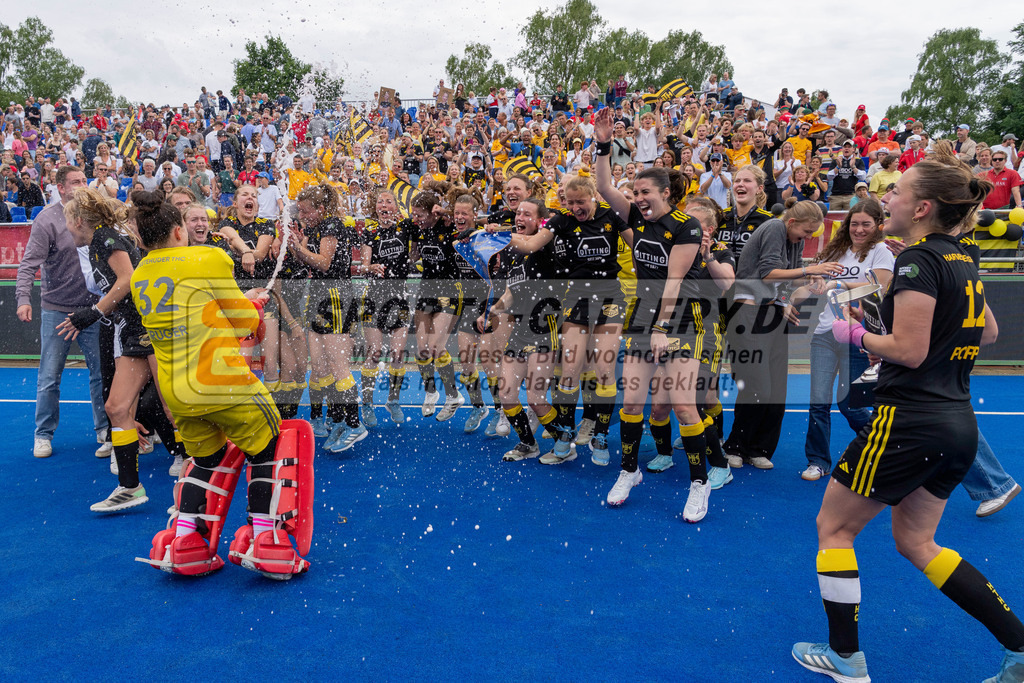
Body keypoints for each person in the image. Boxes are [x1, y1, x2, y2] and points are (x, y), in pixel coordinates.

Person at [793, 157, 1024, 683]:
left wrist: (857, 336)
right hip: (956, 420)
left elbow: (909, 351)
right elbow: (987, 332)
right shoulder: (960, 255)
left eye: (896, 193)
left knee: (834, 528)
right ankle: (1020, 648)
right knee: (917, 543)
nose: (886, 199)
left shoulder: (919, 261)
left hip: (908, 420)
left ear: (921, 208)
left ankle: (845, 659)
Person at [130, 191, 309, 579]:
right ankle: (267, 540)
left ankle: (184, 541)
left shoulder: (141, 272)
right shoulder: (209, 257)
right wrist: (254, 305)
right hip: (221, 381)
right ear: (179, 230)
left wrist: (240, 303)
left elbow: (194, 312)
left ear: (142, 238)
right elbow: (243, 322)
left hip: (178, 390)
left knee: (204, 462)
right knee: (269, 449)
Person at [592, 107, 715, 522]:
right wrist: (604, 143)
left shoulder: (687, 227)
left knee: (682, 405)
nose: (639, 199)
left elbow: (676, 279)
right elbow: (603, 186)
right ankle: (629, 471)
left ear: (667, 194)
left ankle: (700, 484)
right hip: (644, 318)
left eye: (646, 193)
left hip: (680, 318)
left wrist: (662, 327)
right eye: (637, 193)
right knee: (631, 405)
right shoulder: (635, 221)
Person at [58, 188, 186, 512]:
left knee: (172, 407)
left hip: (149, 325)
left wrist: (94, 311)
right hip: (130, 329)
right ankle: (130, 488)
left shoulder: (104, 237)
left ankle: (199, 480)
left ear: (77, 220)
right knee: (116, 407)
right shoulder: (101, 240)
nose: (66, 229)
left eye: (67, 222)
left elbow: (128, 278)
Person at [723, 200, 841, 470]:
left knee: (776, 389)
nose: (808, 238)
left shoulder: (792, 237)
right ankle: (735, 446)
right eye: (807, 232)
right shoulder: (775, 227)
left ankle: (758, 449)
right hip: (749, 314)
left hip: (773, 314)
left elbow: (790, 277)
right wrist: (810, 270)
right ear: (792, 223)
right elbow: (768, 275)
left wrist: (812, 280)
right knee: (758, 386)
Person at [791, 200, 894, 481]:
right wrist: (802, 292)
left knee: (851, 404)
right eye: (854, 224)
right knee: (818, 401)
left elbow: (880, 286)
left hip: (859, 334)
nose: (859, 230)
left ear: (877, 226)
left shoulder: (880, 251)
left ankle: (884, 449)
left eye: (866, 224)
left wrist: (841, 284)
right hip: (825, 333)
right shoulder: (836, 251)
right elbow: (811, 287)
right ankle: (818, 461)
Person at [15, 166, 109, 459]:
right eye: (75, 182)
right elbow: (29, 264)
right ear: (60, 188)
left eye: (84, 180)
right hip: (58, 311)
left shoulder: (96, 214)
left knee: (101, 374)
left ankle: (105, 430)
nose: (82, 185)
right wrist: (22, 299)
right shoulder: (47, 220)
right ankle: (43, 434)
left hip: (94, 309)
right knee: (49, 376)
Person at [287, 183, 365, 452]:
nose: (303, 216)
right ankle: (340, 419)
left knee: (338, 365)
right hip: (319, 296)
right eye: (300, 212)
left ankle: (356, 425)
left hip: (335, 297)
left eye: (306, 212)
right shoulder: (317, 227)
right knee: (320, 367)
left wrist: (300, 246)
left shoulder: (332, 225)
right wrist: (297, 247)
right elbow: (305, 262)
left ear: (320, 209)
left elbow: (324, 263)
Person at [483, 198, 561, 461]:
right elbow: (510, 292)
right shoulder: (514, 252)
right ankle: (528, 444)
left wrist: (501, 233)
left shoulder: (543, 243)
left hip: (545, 325)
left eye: (527, 214)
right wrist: (494, 310)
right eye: (518, 213)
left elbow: (530, 242)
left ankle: (563, 443)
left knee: (537, 397)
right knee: (506, 394)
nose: (520, 217)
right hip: (520, 327)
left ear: (539, 220)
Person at [358, 190, 413, 427]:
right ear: (376, 207)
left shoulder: (406, 228)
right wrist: (371, 268)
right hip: (374, 298)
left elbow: (415, 251)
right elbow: (364, 264)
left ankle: (393, 399)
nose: (384, 205)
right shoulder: (370, 232)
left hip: (399, 297)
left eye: (388, 201)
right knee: (374, 352)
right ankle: (368, 403)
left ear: (395, 206)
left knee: (398, 354)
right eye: (380, 201)